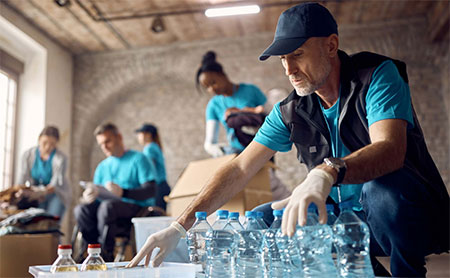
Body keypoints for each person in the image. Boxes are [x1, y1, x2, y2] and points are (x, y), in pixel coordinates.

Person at [128, 3, 449, 277]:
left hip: (408, 215)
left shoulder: (377, 74)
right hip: (348, 223)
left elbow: (390, 150)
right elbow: (240, 168)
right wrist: (180, 226)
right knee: (265, 216)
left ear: (331, 45)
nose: (289, 70)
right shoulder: (292, 110)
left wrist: (326, 171)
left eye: (297, 54)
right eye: (283, 59)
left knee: (380, 191)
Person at [74, 123, 157, 261]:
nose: (104, 147)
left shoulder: (139, 159)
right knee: (81, 209)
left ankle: (105, 255)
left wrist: (123, 193)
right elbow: (97, 194)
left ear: (119, 137)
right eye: (101, 144)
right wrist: (88, 196)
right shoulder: (102, 167)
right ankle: (91, 254)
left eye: (108, 141)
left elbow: (150, 190)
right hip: (106, 212)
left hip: (135, 209)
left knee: (107, 207)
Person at [197, 51, 267, 157]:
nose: (211, 89)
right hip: (238, 154)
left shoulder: (251, 91)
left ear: (222, 74)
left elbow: (271, 117)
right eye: (207, 87)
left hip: (263, 149)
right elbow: (209, 144)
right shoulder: (213, 105)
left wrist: (245, 112)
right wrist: (225, 151)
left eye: (213, 83)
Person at [16, 126, 71, 219]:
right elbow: (21, 179)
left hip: (56, 194)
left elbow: (55, 185)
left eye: (52, 144)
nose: (48, 147)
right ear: (39, 140)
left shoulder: (61, 158)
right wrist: (18, 193)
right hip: (35, 194)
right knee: (36, 221)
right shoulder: (27, 155)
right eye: (44, 142)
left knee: (51, 222)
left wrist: (41, 192)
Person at [135, 123, 171, 211]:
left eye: (140, 133)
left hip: (159, 187)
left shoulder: (149, 148)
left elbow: (148, 168)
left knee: (157, 215)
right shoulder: (155, 146)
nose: (138, 136)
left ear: (148, 134)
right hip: (163, 185)